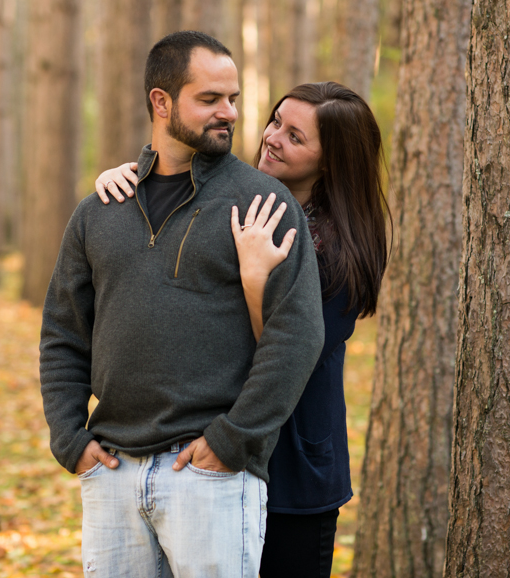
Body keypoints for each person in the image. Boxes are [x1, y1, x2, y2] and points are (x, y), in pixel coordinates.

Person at [39, 31, 326, 578]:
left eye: (234, 99)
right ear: (161, 101)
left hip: (209, 476)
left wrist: (232, 441)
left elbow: (297, 335)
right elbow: (63, 334)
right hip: (112, 470)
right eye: (210, 99)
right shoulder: (100, 210)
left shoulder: (262, 203)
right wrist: (69, 438)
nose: (229, 114)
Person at [96, 81, 390, 577]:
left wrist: (256, 279)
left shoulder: (342, 249)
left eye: (296, 137)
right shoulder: (239, 199)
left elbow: (290, 348)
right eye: (277, 121)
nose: (273, 137)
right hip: (204, 456)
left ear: (333, 161)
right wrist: (130, 181)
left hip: (292, 469)